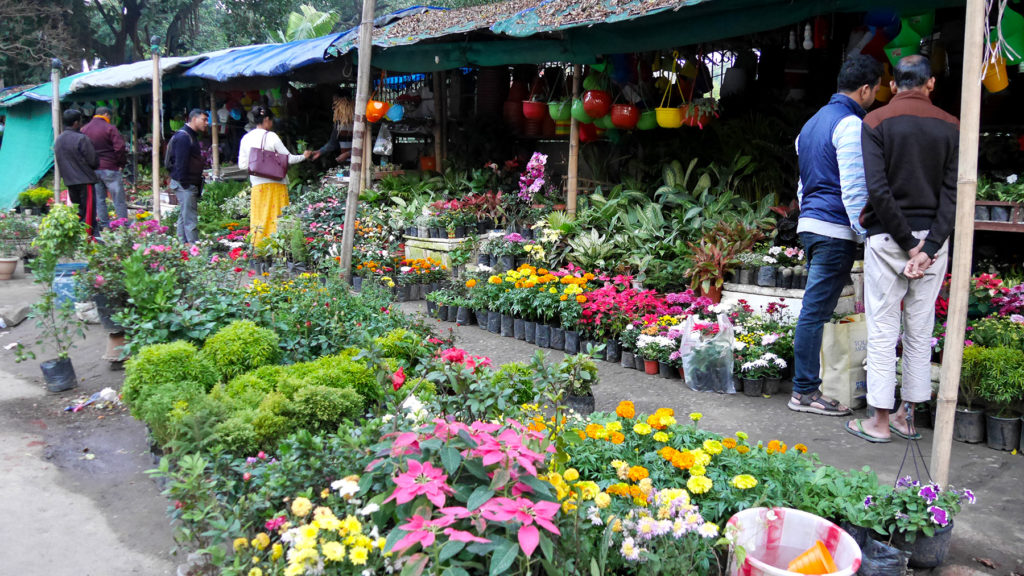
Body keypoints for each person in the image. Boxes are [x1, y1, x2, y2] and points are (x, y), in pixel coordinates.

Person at [846, 55, 958, 443]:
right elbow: (953, 194)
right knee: (919, 329)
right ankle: (906, 418)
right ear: (930, 84)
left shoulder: (874, 121)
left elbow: (877, 190)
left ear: (893, 85)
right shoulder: (952, 125)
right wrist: (929, 246)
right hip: (933, 243)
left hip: (889, 238)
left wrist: (909, 245)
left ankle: (878, 421)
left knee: (882, 328)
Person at [789, 55, 882, 416]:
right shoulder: (849, 124)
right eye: (875, 89)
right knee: (814, 313)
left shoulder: (810, 125)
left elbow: (803, 185)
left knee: (815, 311)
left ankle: (805, 389)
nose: (875, 95)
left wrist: (809, 217)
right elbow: (855, 187)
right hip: (833, 230)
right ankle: (805, 392)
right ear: (864, 89)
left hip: (812, 226)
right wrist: (865, 232)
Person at [238, 106, 311, 245]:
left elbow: (242, 165)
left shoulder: (246, 138)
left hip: (258, 185)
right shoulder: (271, 136)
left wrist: (258, 166)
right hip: (276, 184)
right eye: (271, 120)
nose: (272, 123)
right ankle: (279, 246)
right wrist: (304, 156)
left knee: (260, 217)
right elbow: (288, 159)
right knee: (278, 217)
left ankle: (259, 247)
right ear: (266, 119)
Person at [53, 109, 100, 237]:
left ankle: (78, 236)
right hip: (84, 179)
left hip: (69, 180)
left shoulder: (59, 140)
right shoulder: (81, 138)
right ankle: (88, 239)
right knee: (88, 212)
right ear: (76, 123)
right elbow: (93, 161)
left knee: (78, 210)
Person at [81, 106, 128, 230]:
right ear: (106, 115)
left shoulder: (85, 129)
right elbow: (120, 147)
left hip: (93, 170)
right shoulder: (110, 128)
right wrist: (120, 163)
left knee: (99, 199)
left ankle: (105, 225)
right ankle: (122, 226)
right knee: (118, 198)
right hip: (110, 168)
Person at [166, 109, 208, 244]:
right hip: (184, 184)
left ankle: (182, 246)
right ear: (194, 119)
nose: (206, 123)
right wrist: (185, 184)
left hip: (187, 183)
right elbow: (180, 163)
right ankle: (194, 250)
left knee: (183, 216)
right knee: (190, 219)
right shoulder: (184, 137)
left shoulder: (191, 136)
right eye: (204, 120)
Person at [313, 89, 354, 164]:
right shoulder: (338, 123)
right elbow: (332, 143)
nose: (333, 106)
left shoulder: (358, 121)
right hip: (346, 163)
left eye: (336, 102)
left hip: (360, 163)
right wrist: (320, 151)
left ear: (345, 102)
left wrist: (347, 154)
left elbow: (365, 145)